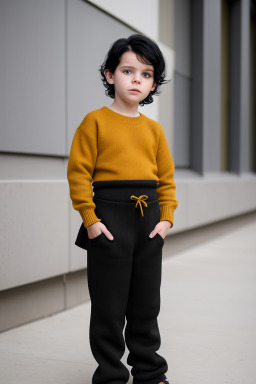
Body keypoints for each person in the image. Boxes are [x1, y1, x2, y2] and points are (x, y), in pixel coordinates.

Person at [67, 33, 178, 384]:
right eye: (128, 71)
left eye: (146, 74)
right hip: (108, 218)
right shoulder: (94, 122)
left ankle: (149, 371)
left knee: (146, 304)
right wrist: (92, 221)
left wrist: (165, 220)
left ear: (153, 83)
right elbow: (79, 175)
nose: (136, 80)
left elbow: (167, 181)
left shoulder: (154, 131)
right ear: (109, 75)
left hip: (147, 221)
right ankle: (112, 375)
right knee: (109, 306)